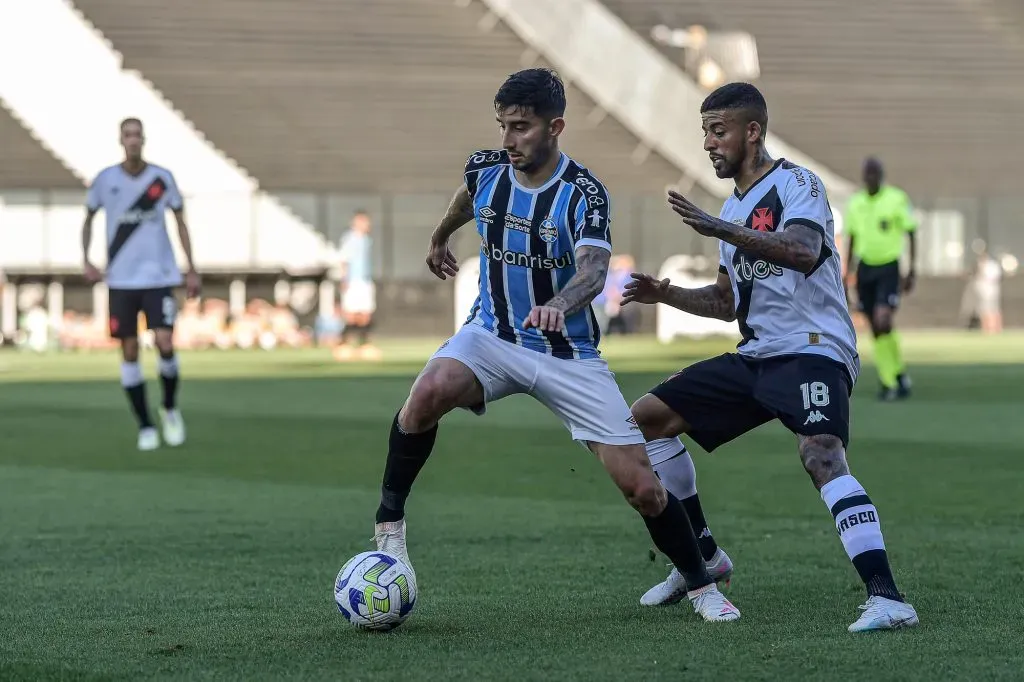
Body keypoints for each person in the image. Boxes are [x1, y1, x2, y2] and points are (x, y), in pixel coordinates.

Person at [370, 68, 739, 622]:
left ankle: (701, 584)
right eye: (503, 125)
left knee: (642, 487)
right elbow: (468, 196)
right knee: (425, 394)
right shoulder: (487, 169)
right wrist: (441, 235)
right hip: (492, 335)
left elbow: (594, 271)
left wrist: (560, 305)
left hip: (567, 354)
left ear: (555, 127)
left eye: (521, 127)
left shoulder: (582, 194)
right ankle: (389, 526)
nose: (508, 139)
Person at [623, 83, 918, 633]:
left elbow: (804, 251)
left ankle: (888, 598)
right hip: (757, 354)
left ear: (752, 131)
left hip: (812, 348)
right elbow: (726, 302)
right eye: (705, 133)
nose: (709, 144)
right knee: (643, 422)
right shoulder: (733, 208)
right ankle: (704, 555)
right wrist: (666, 294)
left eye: (719, 131)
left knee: (821, 454)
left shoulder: (796, 184)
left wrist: (719, 228)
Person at [82, 117, 200, 451]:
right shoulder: (106, 180)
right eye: (127, 135)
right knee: (130, 349)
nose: (132, 140)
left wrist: (191, 268)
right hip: (121, 279)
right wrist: (86, 259)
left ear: (143, 139)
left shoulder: (161, 179)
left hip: (159, 276)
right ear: (121, 140)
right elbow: (88, 219)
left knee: (165, 341)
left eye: (137, 135)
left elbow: (180, 221)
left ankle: (170, 408)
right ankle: (146, 425)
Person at [843, 158, 917, 400]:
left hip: (888, 267)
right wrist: (847, 273)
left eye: (875, 174)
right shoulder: (856, 203)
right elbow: (852, 238)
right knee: (877, 328)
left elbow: (911, 232)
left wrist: (911, 269)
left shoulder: (896, 198)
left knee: (882, 319)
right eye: (868, 174)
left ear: (882, 176)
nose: (871, 179)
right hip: (865, 269)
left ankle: (888, 383)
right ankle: (898, 373)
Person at [334, 211, 380, 361]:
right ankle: (343, 344)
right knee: (351, 314)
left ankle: (363, 344)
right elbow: (344, 260)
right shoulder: (349, 239)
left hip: (365, 280)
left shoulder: (366, 240)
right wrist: (344, 279)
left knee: (365, 314)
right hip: (353, 281)